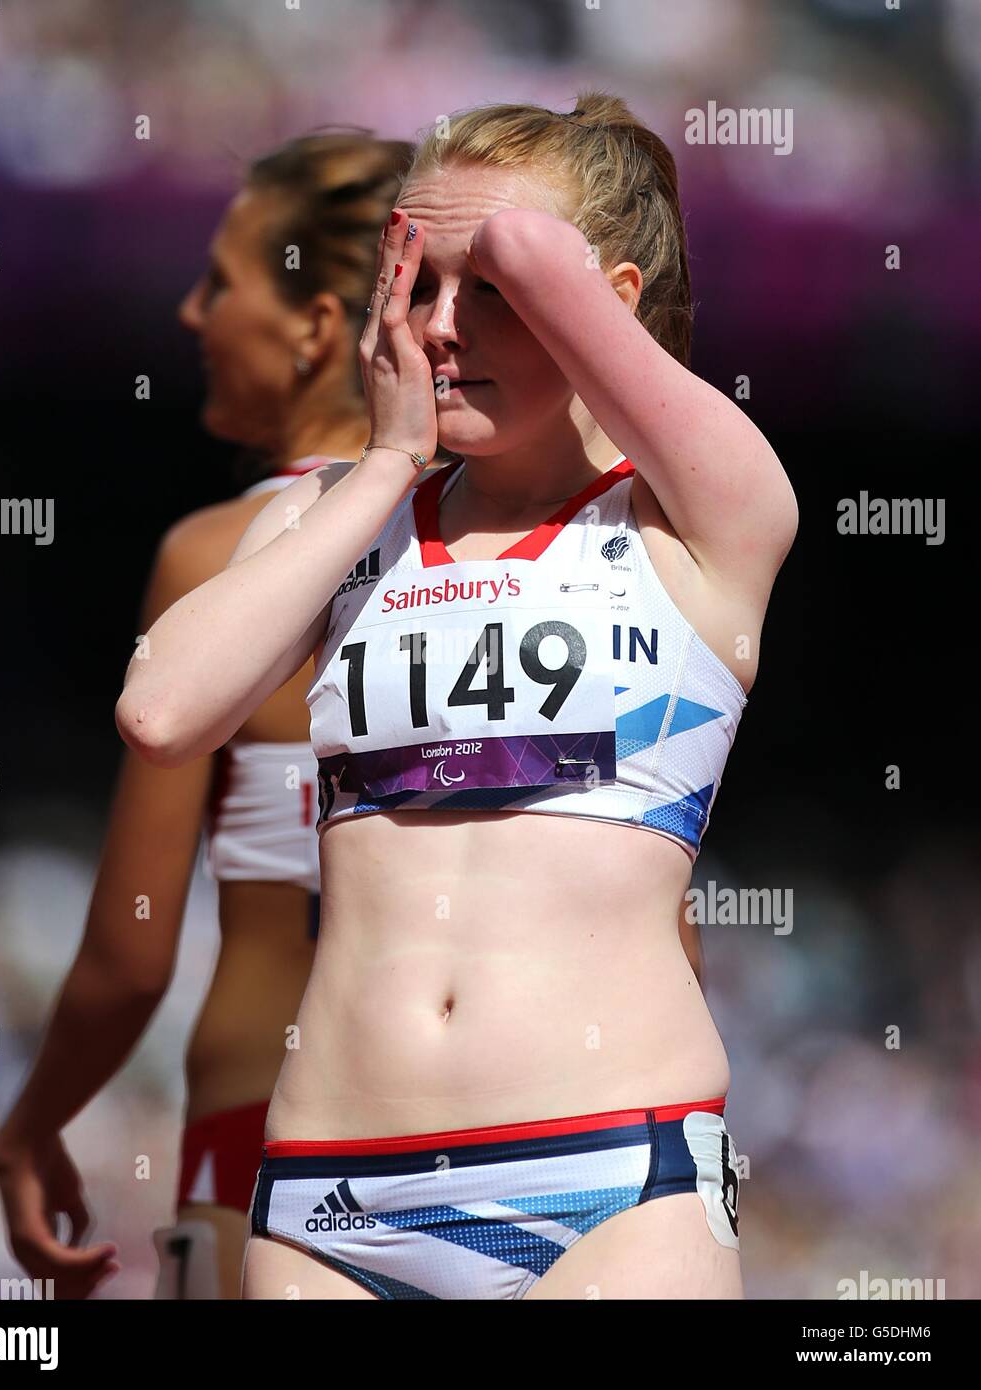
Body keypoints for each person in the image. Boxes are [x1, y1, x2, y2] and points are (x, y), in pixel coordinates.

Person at [116, 92, 798, 1301]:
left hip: (613, 1182)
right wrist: (384, 461)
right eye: (416, 284)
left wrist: (514, 239)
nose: (439, 328)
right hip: (331, 1198)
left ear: (609, 302)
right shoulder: (339, 517)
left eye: (488, 291)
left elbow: (547, 257)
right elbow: (163, 711)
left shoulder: (697, 521)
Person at [0, 130, 413, 1300]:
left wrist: (29, 1127)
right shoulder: (518, 555)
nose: (189, 313)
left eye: (219, 282)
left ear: (318, 329)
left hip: (270, 1135)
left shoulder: (216, 558)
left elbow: (133, 948)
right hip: (521, 1144)